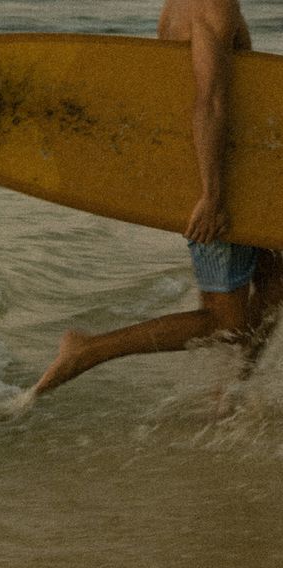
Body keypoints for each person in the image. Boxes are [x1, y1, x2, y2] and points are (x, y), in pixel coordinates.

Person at [23, 0, 283, 405]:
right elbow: (207, 102)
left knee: (275, 277)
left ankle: (229, 392)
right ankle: (88, 350)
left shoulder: (181, 5)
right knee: (225, 322)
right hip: (217, 182)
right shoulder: (212, 4)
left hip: (246, 176)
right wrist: (212, 196)